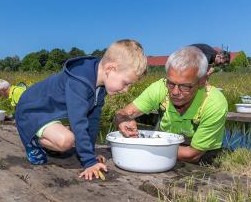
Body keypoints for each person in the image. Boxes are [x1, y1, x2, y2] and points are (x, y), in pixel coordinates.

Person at [16, 39, 147, 180]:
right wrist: (89, 162)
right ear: (110, 69)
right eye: (126, 83)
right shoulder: (80, 81)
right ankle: (33, 141)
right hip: (32, 111)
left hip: (49, 112)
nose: (126, 90)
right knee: (66, 140)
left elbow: (92, 120)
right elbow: (78, 121)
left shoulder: (100, 86)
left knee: (73, 135)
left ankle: (47, 142)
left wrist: (89, 153)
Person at [115, 46, 228, 164]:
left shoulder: (215, 104)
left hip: (201, 154)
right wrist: (123, 120)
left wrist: (145, 145)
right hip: (165, 145)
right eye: (171, 83)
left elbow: (191, 155)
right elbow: (122, 113)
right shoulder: (160, 87)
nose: (175, 92)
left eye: (185, 86)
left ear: (201, 82)